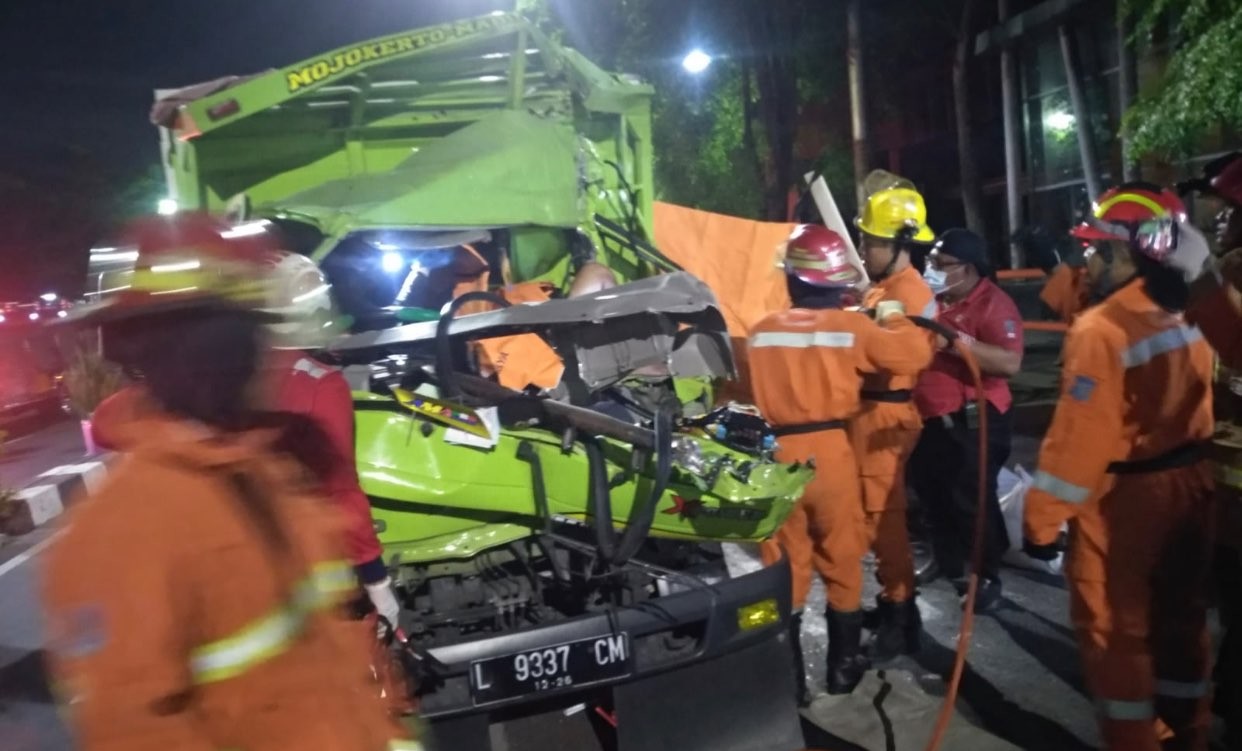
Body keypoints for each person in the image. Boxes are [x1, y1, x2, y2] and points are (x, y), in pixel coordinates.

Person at [42, 214, 415, 751]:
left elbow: (331, 674)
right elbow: (135, 730)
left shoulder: (269, 479)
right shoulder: (115, 538)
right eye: (236, 335)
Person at [1022, 183, 1215, 751]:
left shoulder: (1103, 330)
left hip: (1126, 506)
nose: (1088, 260)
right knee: (1183, 621)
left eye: (1096, 251)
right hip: (1192, 484)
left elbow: (1079, 444)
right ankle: (1189, 733)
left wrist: (1042, 521)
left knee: (1116, 637)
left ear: (1131, 254)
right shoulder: (1192, 304)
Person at [750, 224, 933, 700]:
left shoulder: (762, 332)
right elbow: (913, 354)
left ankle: (787, 681)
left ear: (794, 281)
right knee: (842, 556)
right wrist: (892, 316)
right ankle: (842, 668)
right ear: (836, 283)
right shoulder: (851, 327)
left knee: (784, 565)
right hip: (831, 451)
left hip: (778, 457)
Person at [259, 252, 402, 631]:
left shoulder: (227, 382)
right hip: (311, 564)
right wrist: (377, 582)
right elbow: (342, 493)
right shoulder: (321, 386)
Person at [908, 228, 1024, 613]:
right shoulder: (931, 300)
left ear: (969, 269)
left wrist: (956, 341)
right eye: (930, 263)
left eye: (942, 265)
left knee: (973, 500)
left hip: (976, 420)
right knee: (931, 492)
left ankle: (986, 574)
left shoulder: (994, 304)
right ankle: (948, 560)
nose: (932, 271)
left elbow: (1009, 363)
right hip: (929, 418)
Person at [850, 184, 937, 660]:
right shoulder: (885, 290)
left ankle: (901, 614)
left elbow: (907, 356)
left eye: (871, 242)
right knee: (871, 515)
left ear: (900, 244)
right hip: (870, 410)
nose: (864, 250)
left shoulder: (912, 294)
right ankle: (891, 602)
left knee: (886, 521)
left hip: (888, 412)